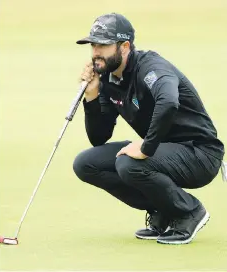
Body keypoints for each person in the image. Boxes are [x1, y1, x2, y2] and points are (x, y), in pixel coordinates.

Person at [73, 12, 225, 245]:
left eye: (103, 45)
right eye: (93, 45)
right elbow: (99, 137)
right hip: (165, 150)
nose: (95, 53)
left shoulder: (151, 67)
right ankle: (163, 209)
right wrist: (92, 96)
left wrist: (145, 147)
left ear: (124, 46)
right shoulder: (108, 79)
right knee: (85, 164)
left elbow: (168, 102)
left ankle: (189, 212)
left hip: (200, 153)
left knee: (128, 163)